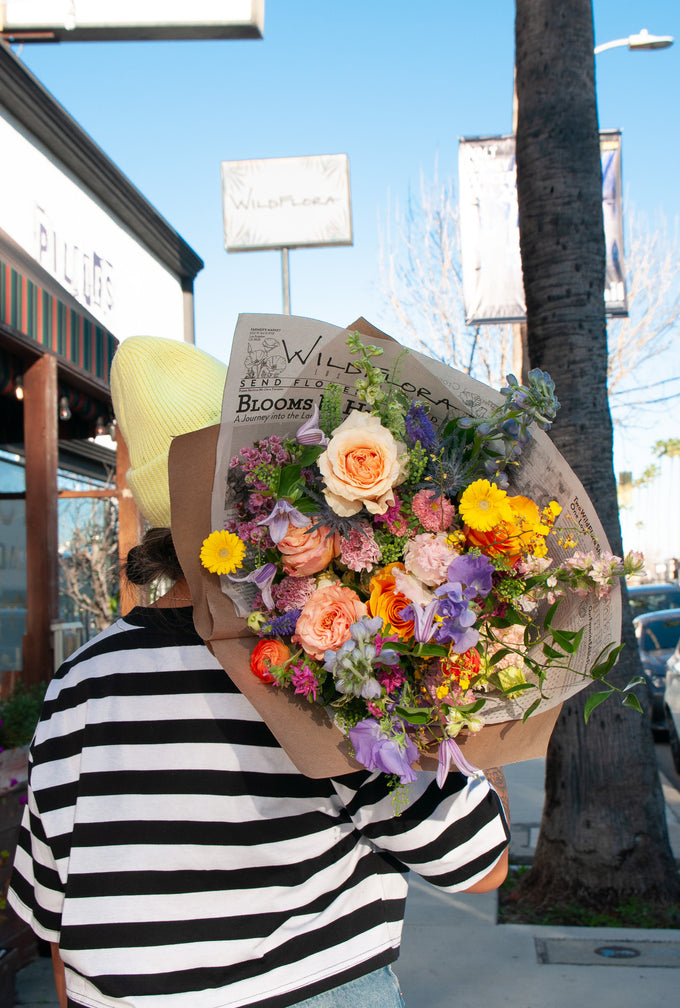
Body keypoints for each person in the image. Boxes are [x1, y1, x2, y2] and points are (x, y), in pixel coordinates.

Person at [9, 336, 510, 1008]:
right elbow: (477, 863)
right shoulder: (315, 659)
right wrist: (472, 696)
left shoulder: (79, 684)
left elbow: (54, 921)